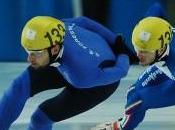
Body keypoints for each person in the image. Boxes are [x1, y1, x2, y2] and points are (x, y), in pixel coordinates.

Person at [0, 15, 130, 130]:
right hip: (67, 60)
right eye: (28, 52)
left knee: (40, 118)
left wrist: (122, 53)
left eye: (35, 53)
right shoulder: (58, 28)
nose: (29, 59)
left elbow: (121, 71)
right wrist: (115, 40)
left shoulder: (81, 76)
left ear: (55, 49)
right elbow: (83, 21)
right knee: (19, 87)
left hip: (97, 84)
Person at [91, 2, 175, 130]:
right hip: (165, 63)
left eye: (145, 51)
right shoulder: (154, 28)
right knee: (134, 92)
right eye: (137, 48)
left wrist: (144, 99)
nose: (138, 55)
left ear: (161, 48)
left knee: (138, 99)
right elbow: (156, 7)